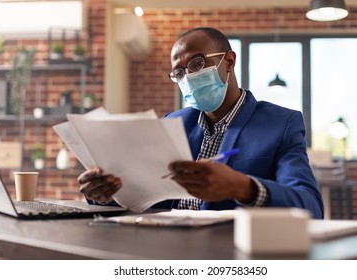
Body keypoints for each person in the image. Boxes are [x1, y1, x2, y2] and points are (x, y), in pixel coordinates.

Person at [78, 27, 324, 219]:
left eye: (197, 63)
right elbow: (147, 201)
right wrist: (104, 194)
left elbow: (310, 207)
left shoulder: (281, 124)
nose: (189, 77)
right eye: (180, 73)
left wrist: (243, 187)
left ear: (228, 61)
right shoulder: (173, 123)